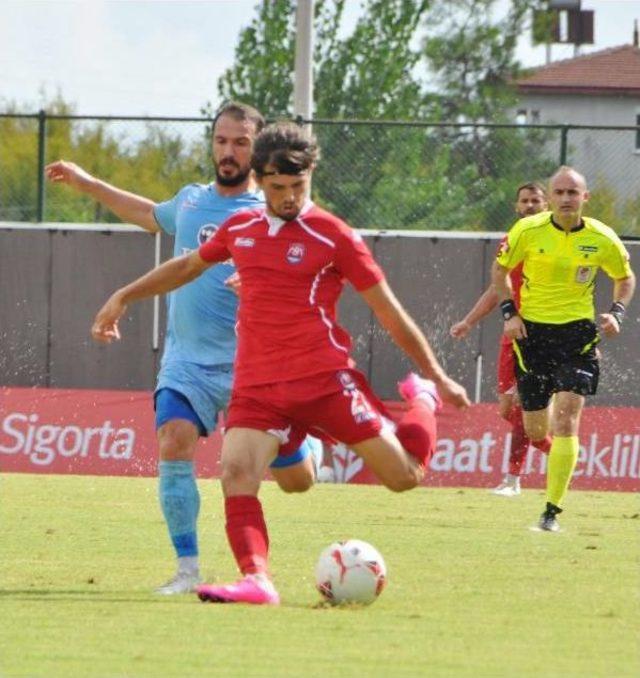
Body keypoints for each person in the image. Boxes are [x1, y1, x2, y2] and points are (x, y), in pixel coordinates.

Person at [91, 121, 471, 605]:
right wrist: (124, 296)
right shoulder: (241, 227)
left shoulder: (335, 235)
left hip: (323, 379)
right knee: (236, 473)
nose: (289, 197)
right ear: (260, 178)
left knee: (403, 477)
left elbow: (389, 312)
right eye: (277, 187)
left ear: (311, 176)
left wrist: (437, 375)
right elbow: (187, 266)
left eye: (298, 186)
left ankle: (423, 401)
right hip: (257, 384)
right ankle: (256, 579)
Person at [45, 103, 323, 595]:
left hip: (252, 365)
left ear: (256, 150)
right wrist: (86, 182)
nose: (229, 151)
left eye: (240, 142)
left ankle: (306, 447)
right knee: (173, 438)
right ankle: (187, 568)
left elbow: (311, 269)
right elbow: (146, 213)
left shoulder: (273, 210)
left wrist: (264, 281)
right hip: (189, 363)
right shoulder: (192, 201)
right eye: (221, 141)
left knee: (297, 482)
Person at [492, 166, 635, 531]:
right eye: (560, 192)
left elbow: (624, 278)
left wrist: (617, 312)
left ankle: (550, 512)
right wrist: (510, 313)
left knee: (568, 418)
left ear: (585, 198)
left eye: (574, 193)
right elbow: (500, 271)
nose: (567, 199)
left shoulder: (602, 238)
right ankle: (560, 455)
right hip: (533, 337)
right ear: (550, 198)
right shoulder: (527, 230)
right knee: (538, 430)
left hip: (578, 337)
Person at [450, 183, 552, 496]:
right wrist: (469, 321)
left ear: (545, 204)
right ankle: (560, 453)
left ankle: (512, 480)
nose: (531, 205)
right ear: (516, 206)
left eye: (536, 200)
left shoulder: (555, 239)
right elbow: (498, 288)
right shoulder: (512, 240)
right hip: (512, 333)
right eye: (525, 201)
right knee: (508, 409)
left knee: (522, 404)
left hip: (543, 334)